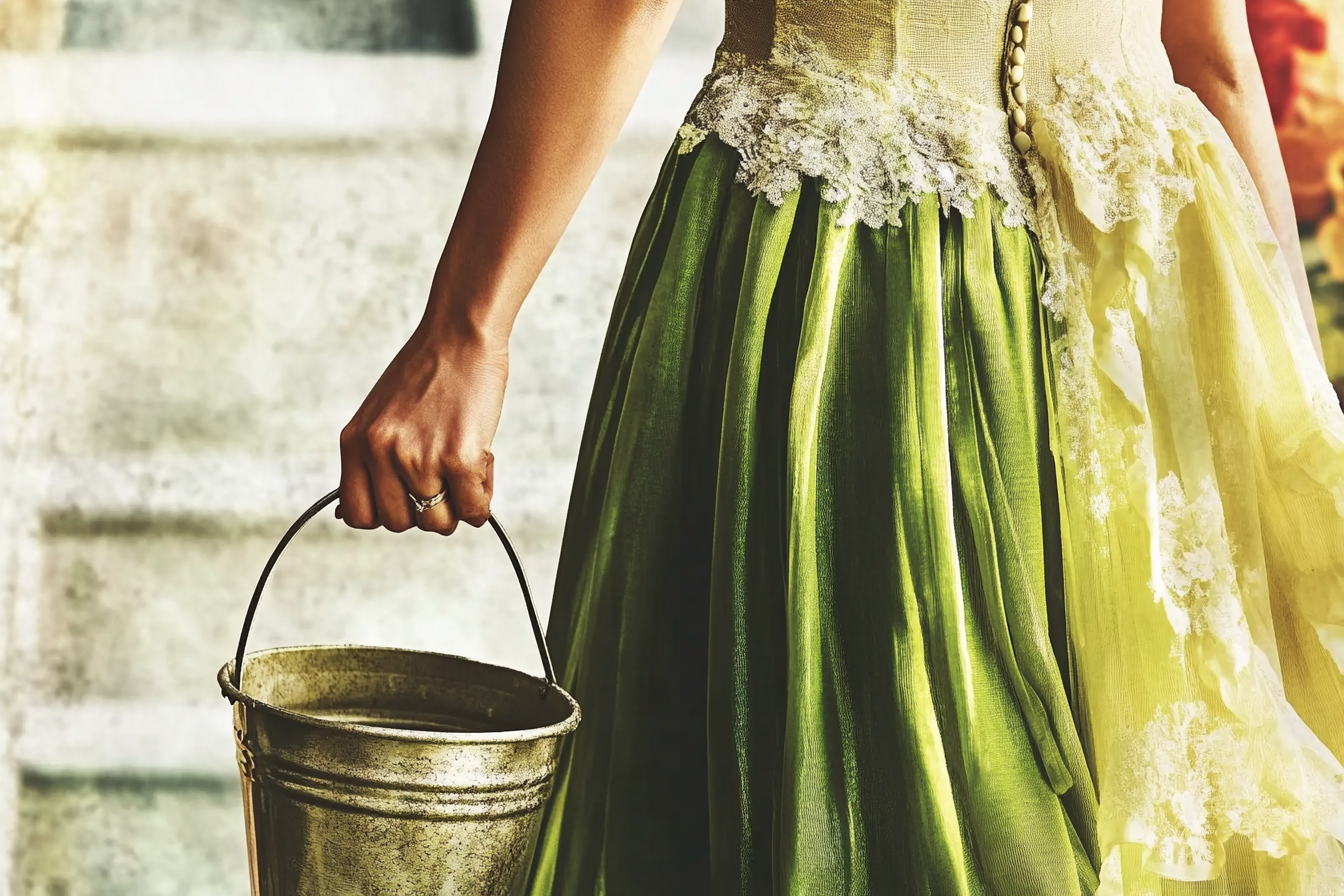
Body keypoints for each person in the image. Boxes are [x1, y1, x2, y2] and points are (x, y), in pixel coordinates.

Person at [335, 0, 1344, 892]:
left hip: (1152, 303)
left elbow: (1207, 42)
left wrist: (1303, 427)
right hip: (851, 302)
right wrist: (467, 325)